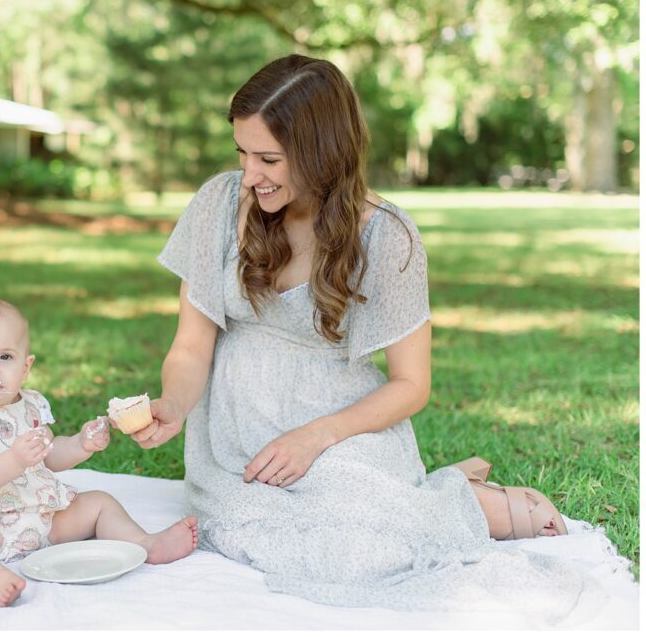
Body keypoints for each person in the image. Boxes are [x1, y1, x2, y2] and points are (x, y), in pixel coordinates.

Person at [127, 55, 603, 623]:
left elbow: (411, 384)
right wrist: (176, 406)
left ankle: (473, 503)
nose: (251, 174)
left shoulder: (388, 235)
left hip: (339, 423)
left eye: (269, 158)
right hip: (234, 435)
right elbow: (190, 345)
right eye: (243, 154)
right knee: (266, 534)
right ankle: (438, 495)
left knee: (362, 542)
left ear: (322, 151)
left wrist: (314, 439)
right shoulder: (220, 205)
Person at [0, 299, 198, 607]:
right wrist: (14, 460)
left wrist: (79, 444)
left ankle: (145, 544)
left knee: (99, 502)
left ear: (26, 366)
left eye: (5, 356)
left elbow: (50, 456)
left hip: (42, 519)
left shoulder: (31, 405)